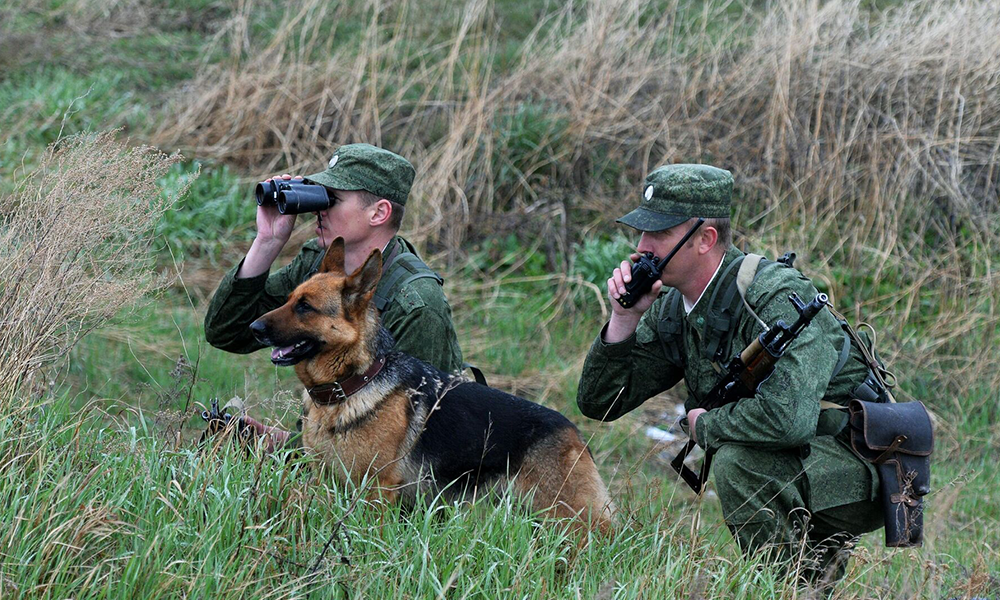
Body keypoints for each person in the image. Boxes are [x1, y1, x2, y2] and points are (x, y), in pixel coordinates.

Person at [576, 164, 884, 589]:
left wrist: (708, 425)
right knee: (743, 459)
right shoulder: (672, 308)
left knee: (738, 462)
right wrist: (623, 318)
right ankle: (810, 586)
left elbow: (789, 419)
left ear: (705, 239)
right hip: (797, 457)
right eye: (641, 232)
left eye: (660, 234)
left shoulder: (774, 298)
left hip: (864, 461)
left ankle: (788, 592)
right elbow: (599, 402)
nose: (642, 247)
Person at [204, 143, 465, 448]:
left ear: (379, 212)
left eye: (332, 199)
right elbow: (228, 333)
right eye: (319, 195)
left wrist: (288, 448)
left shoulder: (416, 302)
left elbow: (420, 436)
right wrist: (267, 241)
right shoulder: (319, 265)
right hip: (330, 443)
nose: (319, 208)